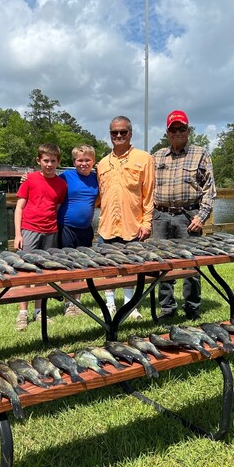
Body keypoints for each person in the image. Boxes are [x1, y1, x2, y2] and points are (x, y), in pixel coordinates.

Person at [152, 109, 216, 321]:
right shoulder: (157, 156)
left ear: (188, 130)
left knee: (191, 264)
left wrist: (201, 216)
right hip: (160, 216)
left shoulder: (200, 153)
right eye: (173, 129)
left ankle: (192, 308)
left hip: (188, 216)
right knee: (163, 264)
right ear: (167, 132)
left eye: (182, 128)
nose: (177, 132)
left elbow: (209, 189)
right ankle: (167, 309)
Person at [97, 115, 155, 318]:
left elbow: (149, 194)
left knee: (131, 266)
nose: (119, 135)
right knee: (107, 267)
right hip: (107, 226)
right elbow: (96, 195)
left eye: (123, 132)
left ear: (131, 133)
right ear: (110, 135)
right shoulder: (102, 163)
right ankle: (110, 303)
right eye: (115, 132)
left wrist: (147, 222)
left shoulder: (144, 158)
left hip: (133, 226)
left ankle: (131, 306)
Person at [14, 143, 67, 330]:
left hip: (50, 231)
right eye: (46, 160)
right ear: (39, 160)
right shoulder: (30, 179)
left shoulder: (61, 184)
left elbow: (57, 208)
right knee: (26, 273)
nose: (49, 164)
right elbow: (19, 207)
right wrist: (18, 234)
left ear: (58, 162)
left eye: (53, 161)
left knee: (42, 273)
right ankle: (22, 314)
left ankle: (39, 312)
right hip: (29, 230)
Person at [57, 145, 99, 315]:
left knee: (82, 266)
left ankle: (78, 302)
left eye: (87, 160)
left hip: (86, 229)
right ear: (74, 161)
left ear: (93, 161)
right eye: (79, 160)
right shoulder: (66, 176)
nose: (83, 163)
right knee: (69, 267)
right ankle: (68, 304)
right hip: (66, 227)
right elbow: (47, 182)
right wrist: (26, 179)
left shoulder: (96, 178)